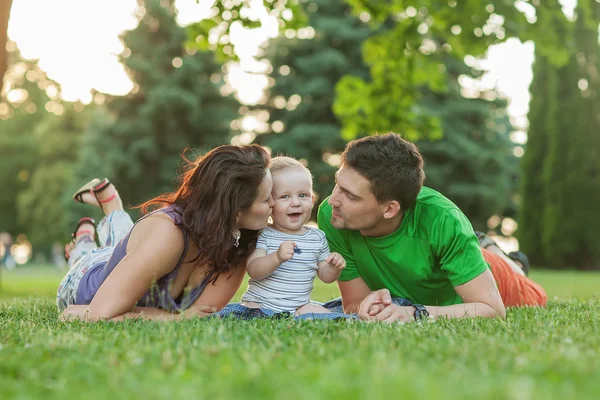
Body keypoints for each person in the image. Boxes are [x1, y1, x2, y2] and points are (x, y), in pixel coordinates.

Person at [317, 133, 547, 323]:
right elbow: (353, 303)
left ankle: (509, 261)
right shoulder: (334, 215)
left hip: (491, 275)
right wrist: (368, 305)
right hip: (447, 254)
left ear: (390, 209)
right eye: (338, 184)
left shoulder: (443, 220)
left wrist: (417, 313)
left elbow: (493, 310)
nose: (333, 199)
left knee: (534, 293)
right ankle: (484, 247)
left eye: (351, 196)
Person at [58, 144, 274, 321]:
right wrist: (175, 318)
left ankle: (108, 210)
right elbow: (91, 314)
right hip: (85, 279)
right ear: (235, 211)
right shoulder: (167, 234)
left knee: (121, 243)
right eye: (266, 199)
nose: (274, 203)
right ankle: (91, 232)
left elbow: (201, 316)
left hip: (131, 255)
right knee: (95, 252)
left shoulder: (239, 245)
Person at [241, 157, 346, 315]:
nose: (296, 203)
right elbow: (254, 269)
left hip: (298, 307)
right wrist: (277, 257)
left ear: (312, 199)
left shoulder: (317, 237)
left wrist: (332, 268)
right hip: (260, 304)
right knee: (247, 311)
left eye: (303, 195)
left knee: (323, 312)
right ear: (270, 202)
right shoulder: (265, 233)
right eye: (285, 197)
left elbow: (325, 276)